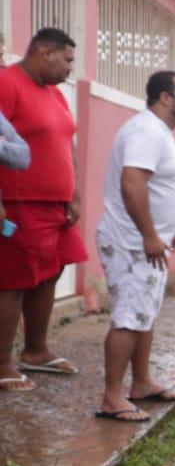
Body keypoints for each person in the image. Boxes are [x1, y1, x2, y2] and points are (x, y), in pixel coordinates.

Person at [93, 71, 175, 421]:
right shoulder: (146, 131)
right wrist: (151, 235)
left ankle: (141, 382)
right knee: (128, 317)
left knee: (144, 314)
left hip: (146, 241)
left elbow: (156, 188)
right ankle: (111, 398)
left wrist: (169, 229)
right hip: (132, 242)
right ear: (166, 97)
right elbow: (133, 183)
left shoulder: (160, 132)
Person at [0, 28, 87, 392]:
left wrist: (75, 194)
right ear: (45, 52)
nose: (70, 68)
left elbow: (68, 145)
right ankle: (2, 363)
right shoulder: (7, 84)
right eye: (67, 60)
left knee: (51, 272)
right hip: (20, 203)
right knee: (13, 280)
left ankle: (36, 350)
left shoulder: (56, 94)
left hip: (56, 207)